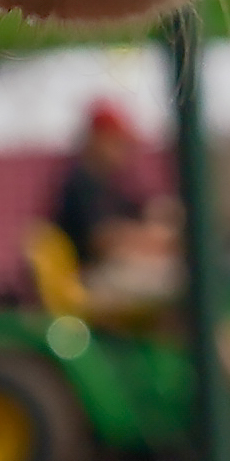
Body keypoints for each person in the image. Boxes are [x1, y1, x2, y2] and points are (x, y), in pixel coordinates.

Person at [43, 100, 182, 314]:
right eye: (118, 142)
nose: (125, 151)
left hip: (113, 271)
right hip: (91, 278)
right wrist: (157, 239)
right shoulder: (80, 183)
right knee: (184, 284)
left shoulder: (111, 181)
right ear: (98, 139)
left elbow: (146, 211)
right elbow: (103, 240)